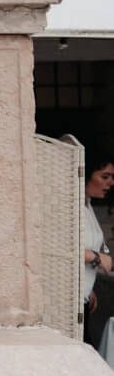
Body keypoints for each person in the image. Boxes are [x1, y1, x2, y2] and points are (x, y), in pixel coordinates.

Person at [80, 145, 113, 356]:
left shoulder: (87, 205)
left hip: (82, 298)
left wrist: (87, 287)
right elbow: (65, 248)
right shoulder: (69, 206)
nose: (111, 183)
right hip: (66, 302)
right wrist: (97, 258)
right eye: (105, 176)